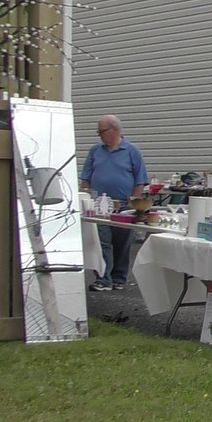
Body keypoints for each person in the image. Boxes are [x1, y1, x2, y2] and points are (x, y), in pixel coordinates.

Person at [80, 114, 148, 291]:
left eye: (101, 131)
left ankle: (119, 278)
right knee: (101, 242)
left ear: (115, 130)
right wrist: (86, 197)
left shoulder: (131, 151)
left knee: (122, 243)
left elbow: (140, 180)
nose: (99, 135)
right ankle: (103, 279)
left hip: (123, 205)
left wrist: (133, 203)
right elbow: (86, 177)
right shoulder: (95, 151)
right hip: (99, 205)